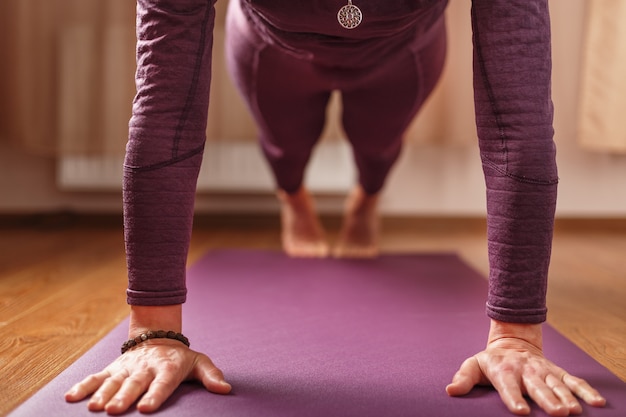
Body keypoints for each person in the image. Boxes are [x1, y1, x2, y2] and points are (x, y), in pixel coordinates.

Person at [65, 0, 607, 415]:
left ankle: (365, 197)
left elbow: (518, 123)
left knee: (378, 144)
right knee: (285, 144)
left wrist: (516, 336)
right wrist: (153, 332)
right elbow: (166, 110)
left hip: (404, 50)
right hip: (270, 47)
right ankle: (294, 198)